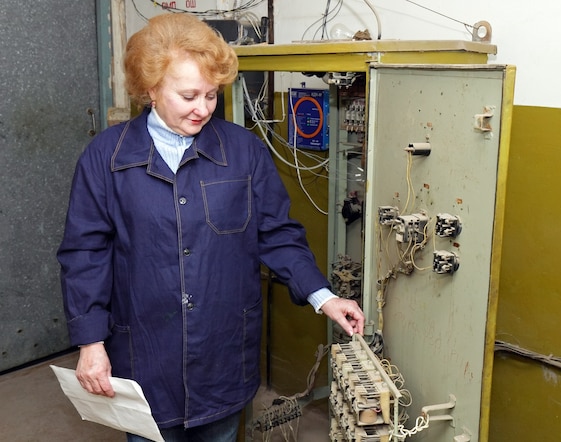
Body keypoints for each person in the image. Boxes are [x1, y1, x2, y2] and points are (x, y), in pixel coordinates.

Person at [57, 13, 365, 442]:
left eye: (211, 95)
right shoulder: (106, 158)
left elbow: (277, 235)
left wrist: (323, 296)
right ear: (150, 90)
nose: (202, 108)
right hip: (146, 353)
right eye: (188, 96)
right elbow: (84, 255)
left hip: (222, 354)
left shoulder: (244, 153)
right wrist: (91, 345)